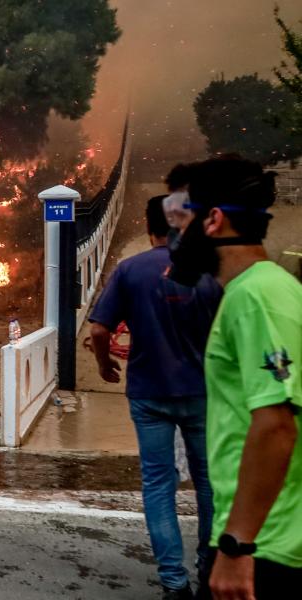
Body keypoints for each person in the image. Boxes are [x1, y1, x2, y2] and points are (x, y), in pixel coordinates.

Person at [171, 156, 302, 599]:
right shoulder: (265, 289)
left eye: (184, 213)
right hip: (264, 536)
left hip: (266, 547)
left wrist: (236, 545)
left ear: (213, 220)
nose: (177, 227)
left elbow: (277, 425)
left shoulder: (256, 297)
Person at [88, 194, 221, 599]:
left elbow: (97, 330)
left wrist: (104, 363)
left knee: (159, 484)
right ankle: (210, 573)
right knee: (208, 484)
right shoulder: (211, 271)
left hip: (149, 394)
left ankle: (173, 582)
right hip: (202, 393)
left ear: (150, 229)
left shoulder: (130, 270)